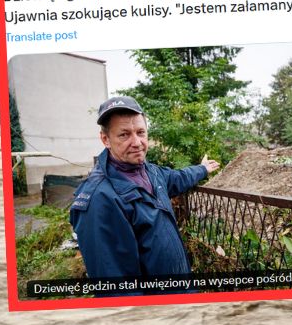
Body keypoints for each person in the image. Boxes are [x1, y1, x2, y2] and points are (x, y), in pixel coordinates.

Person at [69, 96, 219, 282]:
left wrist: (202, 169)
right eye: (124, 134)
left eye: (140, 132)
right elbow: (118, 288)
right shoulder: (100, 199)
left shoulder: (151, 172)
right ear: (105, 139)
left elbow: (178, 178)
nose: (136, 142)